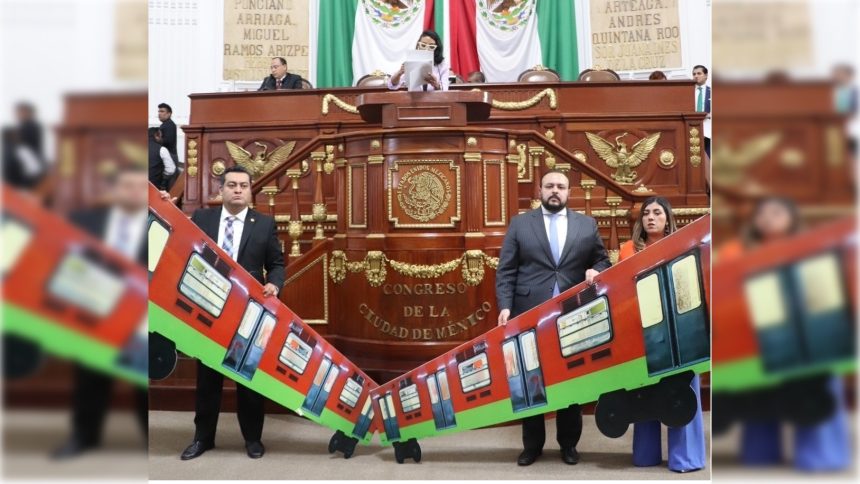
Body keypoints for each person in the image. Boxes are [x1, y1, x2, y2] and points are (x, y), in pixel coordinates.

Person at [721, 197, 851, 472]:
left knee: (814, 387)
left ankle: (821, 456)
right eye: (763, 213)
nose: (768, 218)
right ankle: (760, 453)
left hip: (806, 335)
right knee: (756, 396)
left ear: (792, 216)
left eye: (777, 212)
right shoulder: (737, 251)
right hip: (756, 338)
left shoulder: (812, 247)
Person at [495, 169, 610, 466]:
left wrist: (596, 270)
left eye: (560, 186)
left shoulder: (587, 224)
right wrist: (505, 306)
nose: (554, 190)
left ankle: (568, 445)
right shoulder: (520, 224)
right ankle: (532, 446)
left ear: (569, 192)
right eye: (549, 186)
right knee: (531, 378)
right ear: (540, 190)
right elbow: (506, 270)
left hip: (574, 313)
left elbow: (602, 259)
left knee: (570, 377)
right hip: (529, 311)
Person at [175, 165, 286, 460]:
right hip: (208, 309)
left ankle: (252, 439)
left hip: (248, 314)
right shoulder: (202, 218)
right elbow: (181, 244)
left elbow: (277, 263)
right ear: (221, 190)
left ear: (250, 191)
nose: (238, 189)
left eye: (244, 185)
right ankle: (203, 438)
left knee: (247, 380)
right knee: (208, 379)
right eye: (232, 185)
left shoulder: (263, 224)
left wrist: (274, 285)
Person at [52, 165, 150, 459]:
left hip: (139, 319)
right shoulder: (83, 221)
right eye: (127, 186)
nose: (134, 192)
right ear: (113, 191)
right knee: (89, 380)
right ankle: (84, 436)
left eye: (140, 186)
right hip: (94, 313)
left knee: (141, 384)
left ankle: (148, 439)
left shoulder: (158, 226)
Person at [618, 196, 706, 473]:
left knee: (683, 391)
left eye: (657, 212)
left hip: (681, 329)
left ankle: (686, 458)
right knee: (644, 393)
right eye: (646, 213)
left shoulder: (684, 243)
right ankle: (646, 454)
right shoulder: (627, 250)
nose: (651, 217)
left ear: (668, 218)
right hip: (640, 330)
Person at [692, 65, 711, 158]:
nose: (696, 76)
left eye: (699, 73)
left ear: (706, 75)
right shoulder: (689, 92)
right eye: (694, 74)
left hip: (709, 132)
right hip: (692, 131)